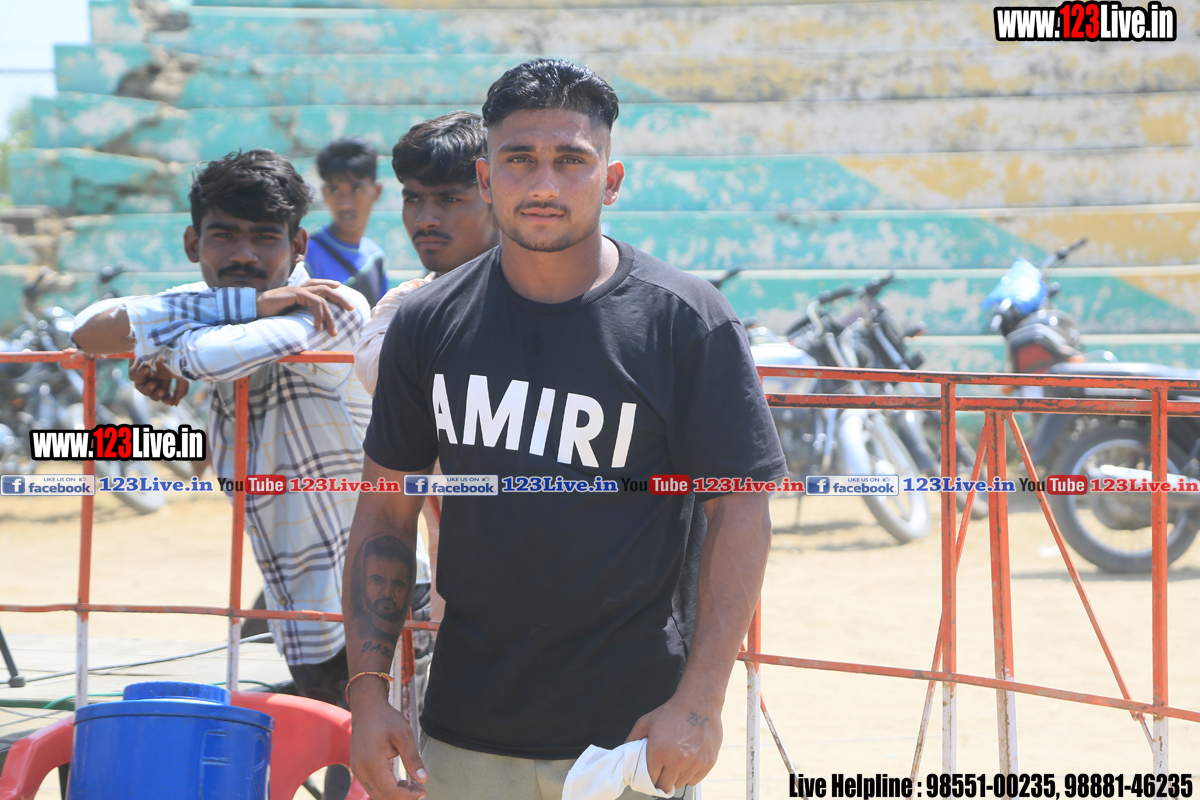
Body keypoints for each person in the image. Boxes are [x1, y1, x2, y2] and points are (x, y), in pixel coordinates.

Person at [342, 59, 786, 800]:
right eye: (519, 159)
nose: (543, 184)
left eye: (571, 160)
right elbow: (385, 509)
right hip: (464, 732)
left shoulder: (685, 319)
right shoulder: (426, 322)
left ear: (610, 181)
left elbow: (741, 510)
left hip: (633, 738)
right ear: (487, 178)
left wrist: (701, 701)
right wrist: (367, 692)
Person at [71, 149, 371, 800]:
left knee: (379, 772)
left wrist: (183, 341)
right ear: (192, 243)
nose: (244, 253)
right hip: (298, 606)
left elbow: (209, 356)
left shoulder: (332, 306)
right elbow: (88, 330)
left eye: (265, 237)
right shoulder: (236, 309)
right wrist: (175, 385)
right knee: (344, 771)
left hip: (372, 600)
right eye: (224, 235)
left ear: (298, 245)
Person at [353, 111, 499, 397]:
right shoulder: (402, 303)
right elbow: (380, 376)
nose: (424, 220)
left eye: (449, 199)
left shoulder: (549, 295)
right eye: (413, 199)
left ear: (498, 200)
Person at [308, 136, 389, 308]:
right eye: (335, 190)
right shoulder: (306, 255)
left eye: (356, 189)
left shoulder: (375, 258)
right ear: (325, 193)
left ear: (377, 191)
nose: (345, 204)